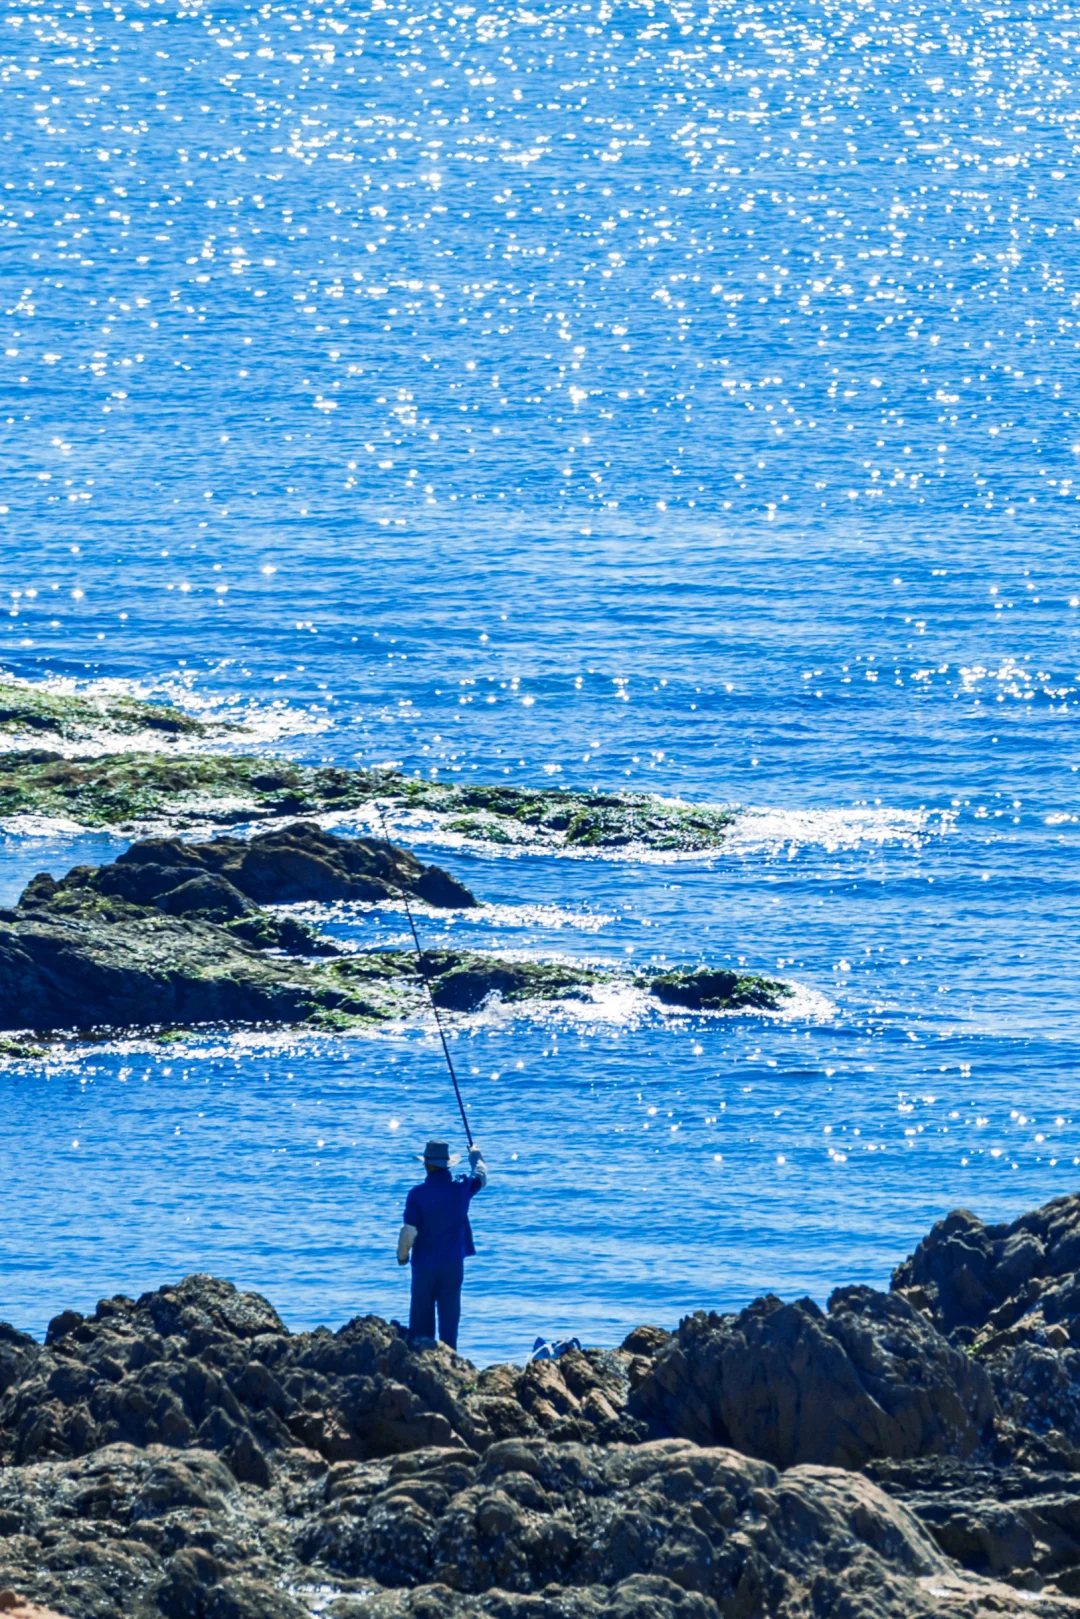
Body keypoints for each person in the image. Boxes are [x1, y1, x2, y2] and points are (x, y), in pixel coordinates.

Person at [397, 1137, 487, 1351]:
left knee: (421, 1323)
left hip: (424, 1266)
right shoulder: (461, 1188)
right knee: (449, 1321)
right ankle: (451, 1362)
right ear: (447, 1164)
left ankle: (422, 1363)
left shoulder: (417, 1194)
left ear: (427, 1165)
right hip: (453, 1265)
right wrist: (475, 1156)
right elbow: (481, 1177)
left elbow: (409, 1232)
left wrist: (403, 1257)